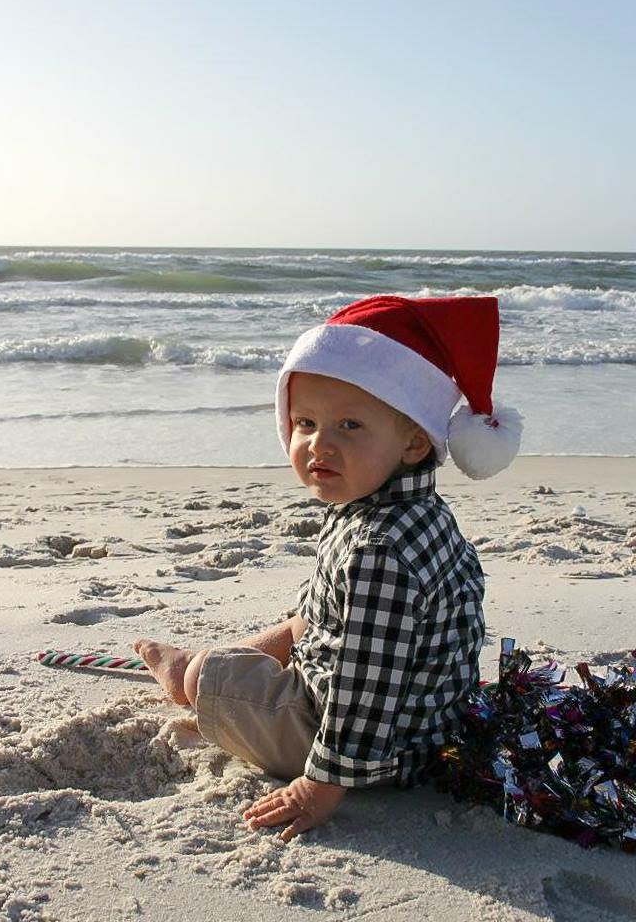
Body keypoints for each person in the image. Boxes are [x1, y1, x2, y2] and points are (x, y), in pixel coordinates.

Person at [134, 295, 523, 842]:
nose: (320, 443)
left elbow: (368, 686)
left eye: (349, 425)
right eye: (305, 422)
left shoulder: (379, 551)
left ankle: (184, 672)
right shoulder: (404, 509)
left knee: (208, 678)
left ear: (414, 440)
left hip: (378, 745)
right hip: (419, 715)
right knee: (305, 616)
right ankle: (239, 656)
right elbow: (341, 622)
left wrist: (320, 785)